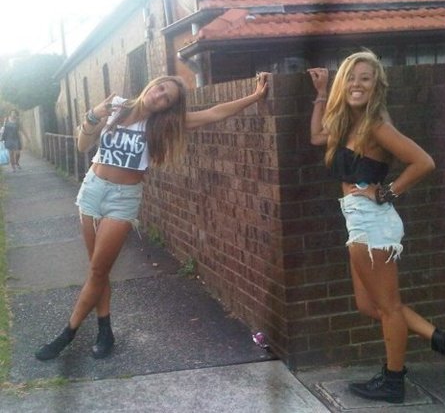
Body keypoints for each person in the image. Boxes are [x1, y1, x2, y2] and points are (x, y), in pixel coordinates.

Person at [35, 73, 269, 361]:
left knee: (97, 270)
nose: (159, 96)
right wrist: (94, 114)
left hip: (123, 199)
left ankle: (67, 334)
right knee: (98, 269)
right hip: (92, 190)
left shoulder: (163, 125)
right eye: (160, 88)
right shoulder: (117, 107)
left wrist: (255, 96)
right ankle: (105, 329)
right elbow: (83, 145)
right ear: (152, 85)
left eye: (167, 99)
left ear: (167, 108)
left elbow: (213, 113)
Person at [307, 50, 445, 404]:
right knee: (368, 305)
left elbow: (423, 162)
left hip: (372, 221)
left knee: (388, 307)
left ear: (376, 86)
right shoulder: (349, 123)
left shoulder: (376, 125)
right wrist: (321, 94)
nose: (357, 84)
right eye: (351, 77)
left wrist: (386, 192)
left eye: (365, 78)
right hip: (358, 219)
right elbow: (316, 137)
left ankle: (393, 380)